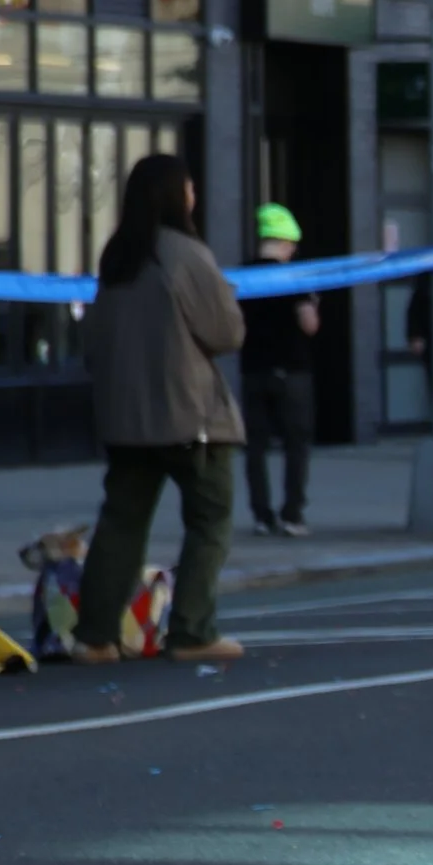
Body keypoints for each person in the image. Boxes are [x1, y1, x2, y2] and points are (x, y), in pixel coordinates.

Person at [72, 155, 248, 663]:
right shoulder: (185, 254)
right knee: (210, 519)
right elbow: (226, 331)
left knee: (122, 522)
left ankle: (96, 635)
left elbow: (94, 340)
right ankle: (192, 630)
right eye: (189, 185)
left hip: (127, 418)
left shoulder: (117, 256)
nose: (193, 194)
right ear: (176, 194)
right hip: (191, 416)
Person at [240, 203, 321, 537]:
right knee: (296, 445)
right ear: (286, 243)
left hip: (253, 370)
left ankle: (261, 515)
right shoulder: (294, 278)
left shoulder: (244, 276)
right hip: (292, 371)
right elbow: (309, 325)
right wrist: (313, 305)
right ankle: (292, 515)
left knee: (255, 447)